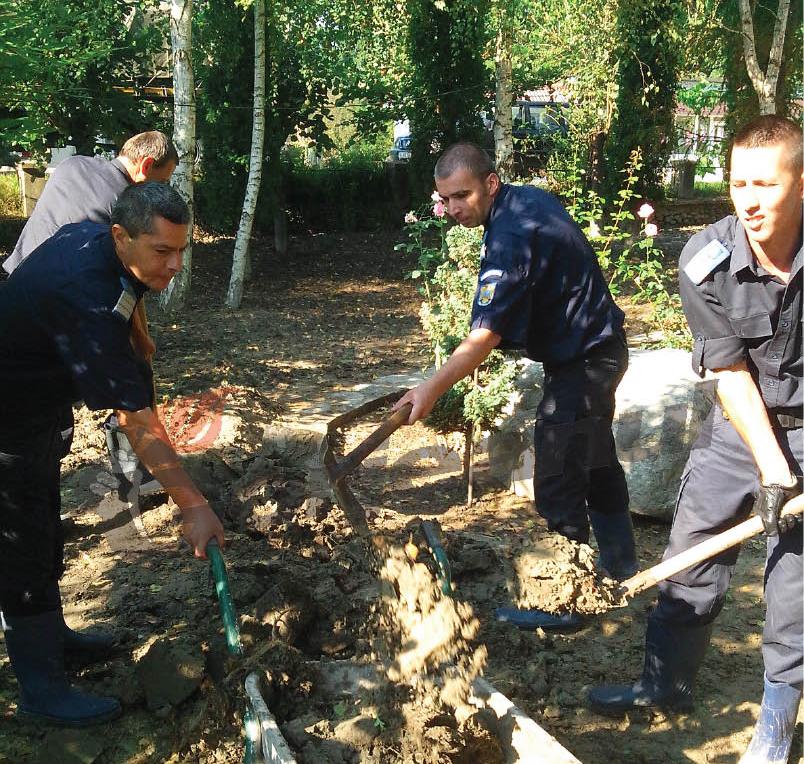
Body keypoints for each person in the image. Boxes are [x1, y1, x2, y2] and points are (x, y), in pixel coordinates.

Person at [588, 115, 802, 764]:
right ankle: (663, 686)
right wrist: (774, 471)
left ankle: (774, 724)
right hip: (740, 431)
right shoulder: (706, 260)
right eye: (738, 183)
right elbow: (730, 372)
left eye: (765, 184)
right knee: (693, 556)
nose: (749, 199)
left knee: (794, 587)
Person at [0, 182, 225, 727]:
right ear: (122, 236)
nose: (174, 265)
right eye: (162, 252)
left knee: (43, 529)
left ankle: (53, 639)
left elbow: (128, 302)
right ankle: (41, 689)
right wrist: (192, 504)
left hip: (34, 410)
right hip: (5, 423)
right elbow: (137, 422)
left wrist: (138, 342)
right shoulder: (86, 294)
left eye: (182, 250)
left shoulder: (93, 237)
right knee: (21, 546)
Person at [393, 142, 637, 630]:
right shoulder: (528, 201)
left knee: (558, 471)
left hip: (585, 360)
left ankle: (565, 601)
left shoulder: (510, 234)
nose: (453, 209)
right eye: (445, 199)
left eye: (462, 195)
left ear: (491, 183)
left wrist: (431, 388)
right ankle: (621, 568)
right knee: (594, 458)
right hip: (597, 350)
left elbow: (484, 337)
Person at [3, 131, 179, 503]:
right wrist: (141, 343)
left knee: (47, 416)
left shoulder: (73, 166)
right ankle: (136, 480)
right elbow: (118, 288)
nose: (161, 191)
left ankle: (42, 488)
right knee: (130, 385)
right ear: (146, 166)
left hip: (19, 285)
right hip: (65, 309)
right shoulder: (123, 210)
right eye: (162, 180)